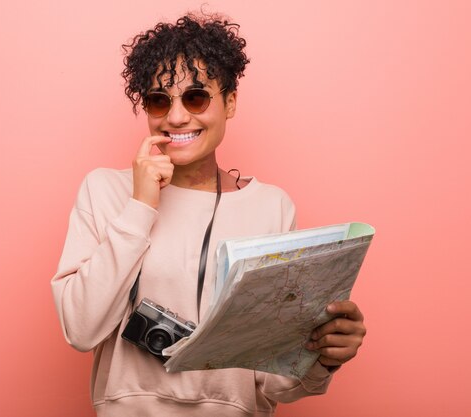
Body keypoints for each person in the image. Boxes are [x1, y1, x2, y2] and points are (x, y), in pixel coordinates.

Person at [51, 13, 366, 417]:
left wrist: (325, 355)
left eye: (196, 97)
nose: (177, 117)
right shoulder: (106, 191)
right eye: (159, 100)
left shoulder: (271, 206)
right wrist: (141, 206)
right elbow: (80, 329)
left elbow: (272, 379)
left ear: (230, 102)